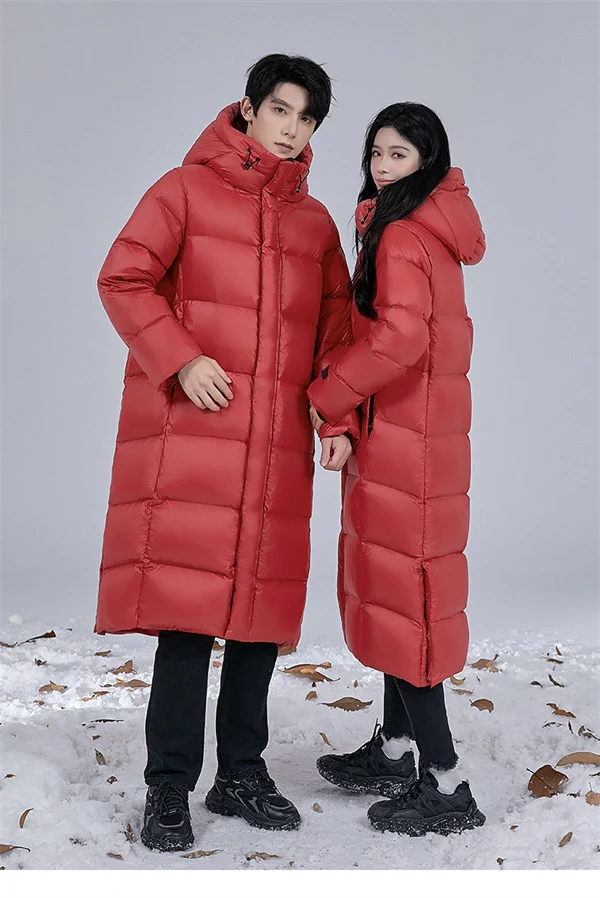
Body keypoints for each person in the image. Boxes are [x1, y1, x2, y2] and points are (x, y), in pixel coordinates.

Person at [94, 53, 358, 851]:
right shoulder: (182, 190)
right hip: (195, 442)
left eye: (306, 118)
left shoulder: (315, 225)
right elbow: (123, 278)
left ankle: (242, 772)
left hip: (275, 450)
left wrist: (337, 419)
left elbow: (336, 333)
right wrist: (180, 358)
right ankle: (168, 786)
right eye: (280, 109)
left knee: (256, 623)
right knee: (188, 620)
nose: (292, 128)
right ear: (247, 108)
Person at [307, 102, 487, 837]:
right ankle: (395, 748)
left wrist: (330, 394)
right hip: (414, 437)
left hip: (405, 443)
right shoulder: (416, 225)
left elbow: (402, 338)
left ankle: (447, 783)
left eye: (399, 156)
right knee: (396, 599)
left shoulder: (404, 233)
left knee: (405, 605)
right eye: (376, 153)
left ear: (427, 161)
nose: (382, 167)